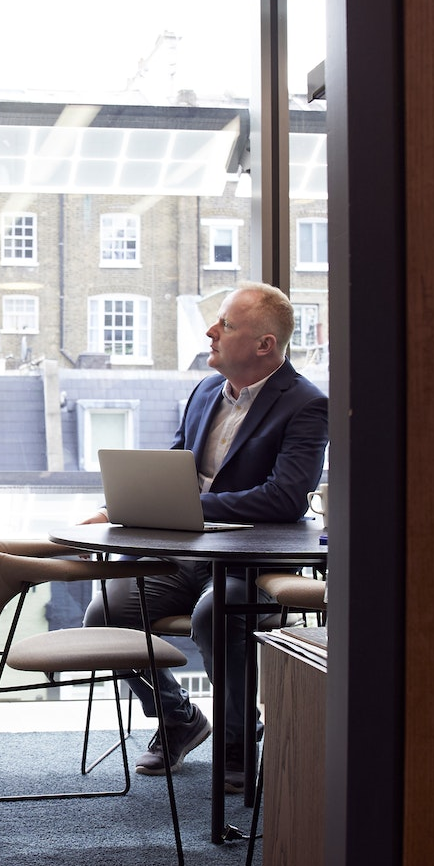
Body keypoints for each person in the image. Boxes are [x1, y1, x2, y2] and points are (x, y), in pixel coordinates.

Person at [81, 282, 327, 792]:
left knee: (215, 616)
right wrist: (122, 506)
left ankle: (238, 741)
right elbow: (175, 470)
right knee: (106, 614)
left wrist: (188, 507)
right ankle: (177, 717)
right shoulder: (203, 393)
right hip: (186, 555)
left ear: (265, 345)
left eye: (227, 325)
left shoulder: (306, 404)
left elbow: (283, 498)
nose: (211, 332)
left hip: (253, 563)